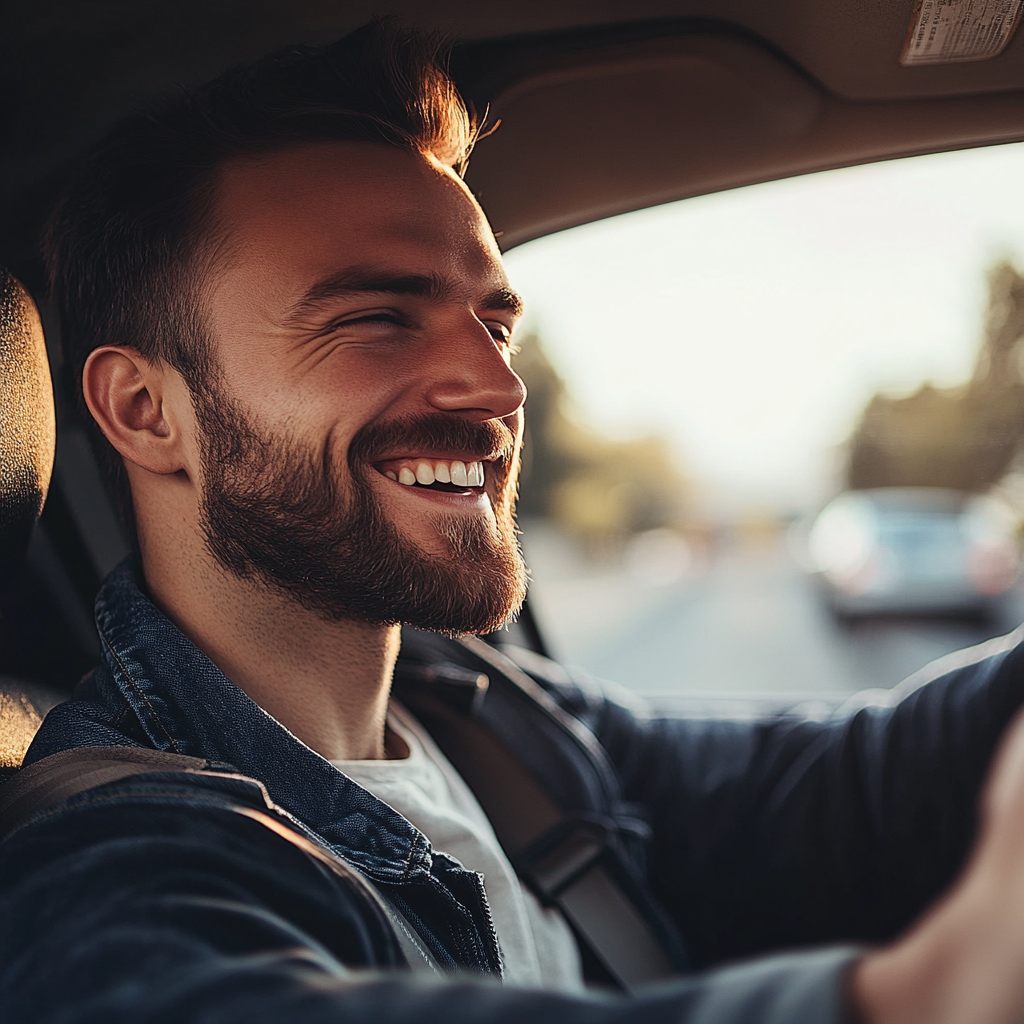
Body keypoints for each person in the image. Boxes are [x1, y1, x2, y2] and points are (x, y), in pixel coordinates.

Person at [4, 18, 1024, 1023]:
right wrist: (920, 996)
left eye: (493, 324)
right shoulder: (115, 861)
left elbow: (854, 788)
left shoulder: (486, 717)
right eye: (375, 317)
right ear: (147, 411)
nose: (496, 386)